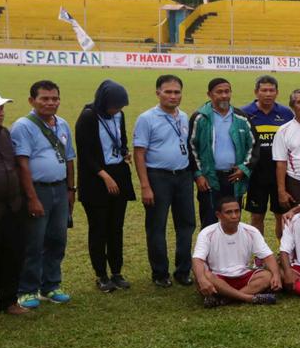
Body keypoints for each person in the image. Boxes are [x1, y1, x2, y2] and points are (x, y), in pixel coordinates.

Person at [11, 81, 75, 309]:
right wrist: (32, 198)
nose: (50, 103)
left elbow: (69, 159)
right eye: (45, 98)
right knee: (34, 242)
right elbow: (22, 165)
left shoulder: (63, 124)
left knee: (57, 239)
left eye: (54, 98)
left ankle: (51, 285)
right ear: (32, 101)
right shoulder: (23, 126)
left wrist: (71, 189)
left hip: (60, 189)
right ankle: (27, 289)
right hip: (37, 190)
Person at [134, 74, 195, 288]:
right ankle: (160, 273)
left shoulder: (184, 117)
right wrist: (145, 185)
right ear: (158, 92)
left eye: (177, 92)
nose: (173, 96)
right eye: (168, 92)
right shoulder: (147, 118)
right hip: (158, 177)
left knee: (187, 225)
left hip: (183, 176)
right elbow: (139, 153)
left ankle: (183, 270)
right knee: (156, 226)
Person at [75, 80, 135, 294]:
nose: (117, 110)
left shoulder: (119, 115)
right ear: (102, 101)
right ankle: (101, 275)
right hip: (96, 179)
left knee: (116, 228)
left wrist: (124, 151)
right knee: (99, 228)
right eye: (114, 106)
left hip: (118, 173)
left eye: (120, 106)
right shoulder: (89, 117)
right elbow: (85, 153)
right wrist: (104, 176)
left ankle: (117, 272)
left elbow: (122, 138)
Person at [191, 195, 282, 308]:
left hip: (242, 275)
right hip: (218, 278)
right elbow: (197, 260)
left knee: (267, 276)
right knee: (204, 275)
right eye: (229, 212)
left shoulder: (251, 231)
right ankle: (249, 298)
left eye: (237, 211)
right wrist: (201, 279)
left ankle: (226, 299)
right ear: (218, 215)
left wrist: (276, 276)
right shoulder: (207, 233)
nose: (234, 216)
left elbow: (268, 256)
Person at [190, 78, 254, 228]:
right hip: (209, 178)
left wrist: (243, 168)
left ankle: (233, 251)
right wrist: (198, 175)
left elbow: (253, 145)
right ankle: (209, 252)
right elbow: (192, 147)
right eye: (219, 92)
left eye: (227, 91)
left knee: (233, 221)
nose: (224, 95)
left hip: (234, 177)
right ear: (209, 94)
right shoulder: (200, 118)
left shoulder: (241, 117)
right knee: (209, 221)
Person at [241, 75, 292, 239]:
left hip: (281, 175)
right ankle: (259, 257)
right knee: (256, 217)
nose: (268, 94)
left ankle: (283, 254)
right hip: (256, 176)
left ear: (277, 92)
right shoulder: (245, 113)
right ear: (256, 92)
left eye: (271, 90)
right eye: (264, 90)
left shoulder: (286, 113)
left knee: (282, 216)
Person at [0, 93, 28, 313]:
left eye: (1, 108)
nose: (0, 113)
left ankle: (9, 301)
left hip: (12, 207)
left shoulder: (5, 134)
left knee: (12, 254)